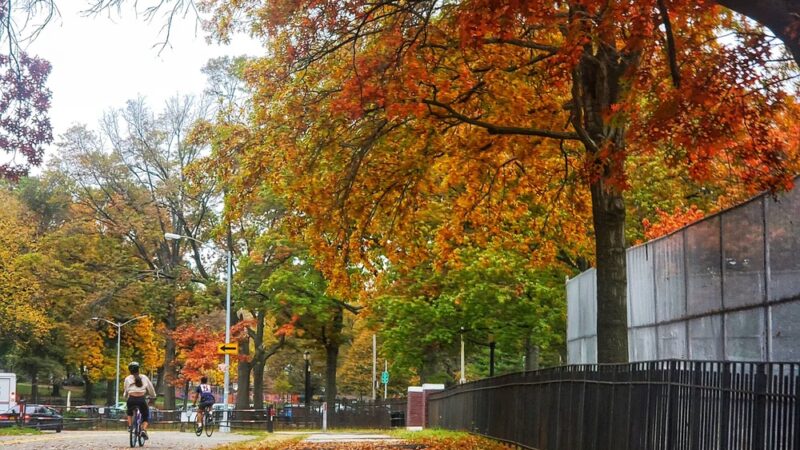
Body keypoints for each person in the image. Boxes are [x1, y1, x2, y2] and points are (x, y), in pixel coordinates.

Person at [123, 361, 156, 440]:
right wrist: (153, 395)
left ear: (129, 370)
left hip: (131, 399)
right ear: (138, 369)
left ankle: (130, 426)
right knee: (146, 415)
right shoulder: (144, 377)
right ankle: (143, 430)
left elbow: (126, 390)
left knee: (129, 412)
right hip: (141, 399)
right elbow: (150, 388)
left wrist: (125, 397)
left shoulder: (127, 378)